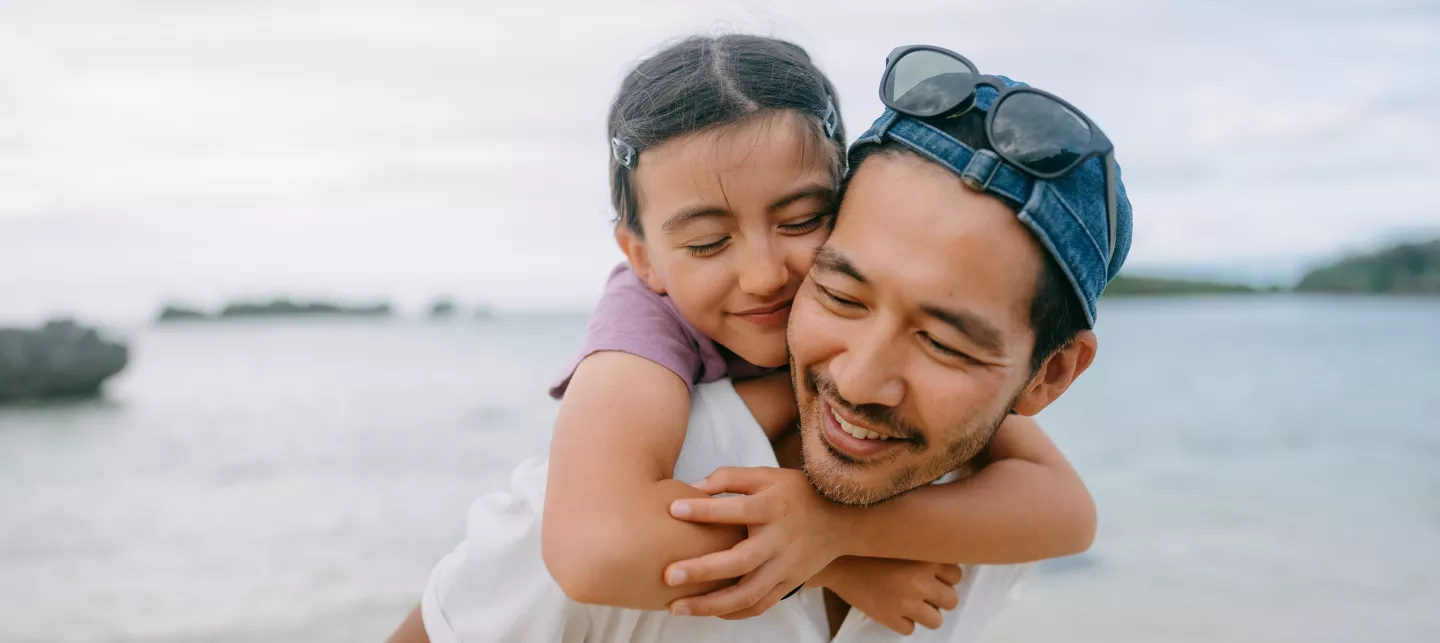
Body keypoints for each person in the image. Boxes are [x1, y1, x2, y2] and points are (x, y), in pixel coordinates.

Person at [389, 40, 1133, 642]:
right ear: (642, 255)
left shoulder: (962, 509)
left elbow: (1067, 512)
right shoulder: (640, 359)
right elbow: (592, 550)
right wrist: (823, 557)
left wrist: (839, 527)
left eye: (800, 220)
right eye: (709, 240)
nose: (764, 272)